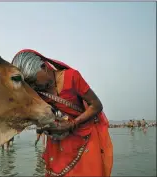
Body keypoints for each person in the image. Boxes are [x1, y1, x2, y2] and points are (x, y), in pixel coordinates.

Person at [12, 49, 113, 177]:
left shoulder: (72, 77)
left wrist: (72, 124)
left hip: (85, 133)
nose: (33, 86)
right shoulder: (39, 92)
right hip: (60, 138)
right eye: (29, 84)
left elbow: (96, 105)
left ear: (44, 67)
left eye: (33, 81)